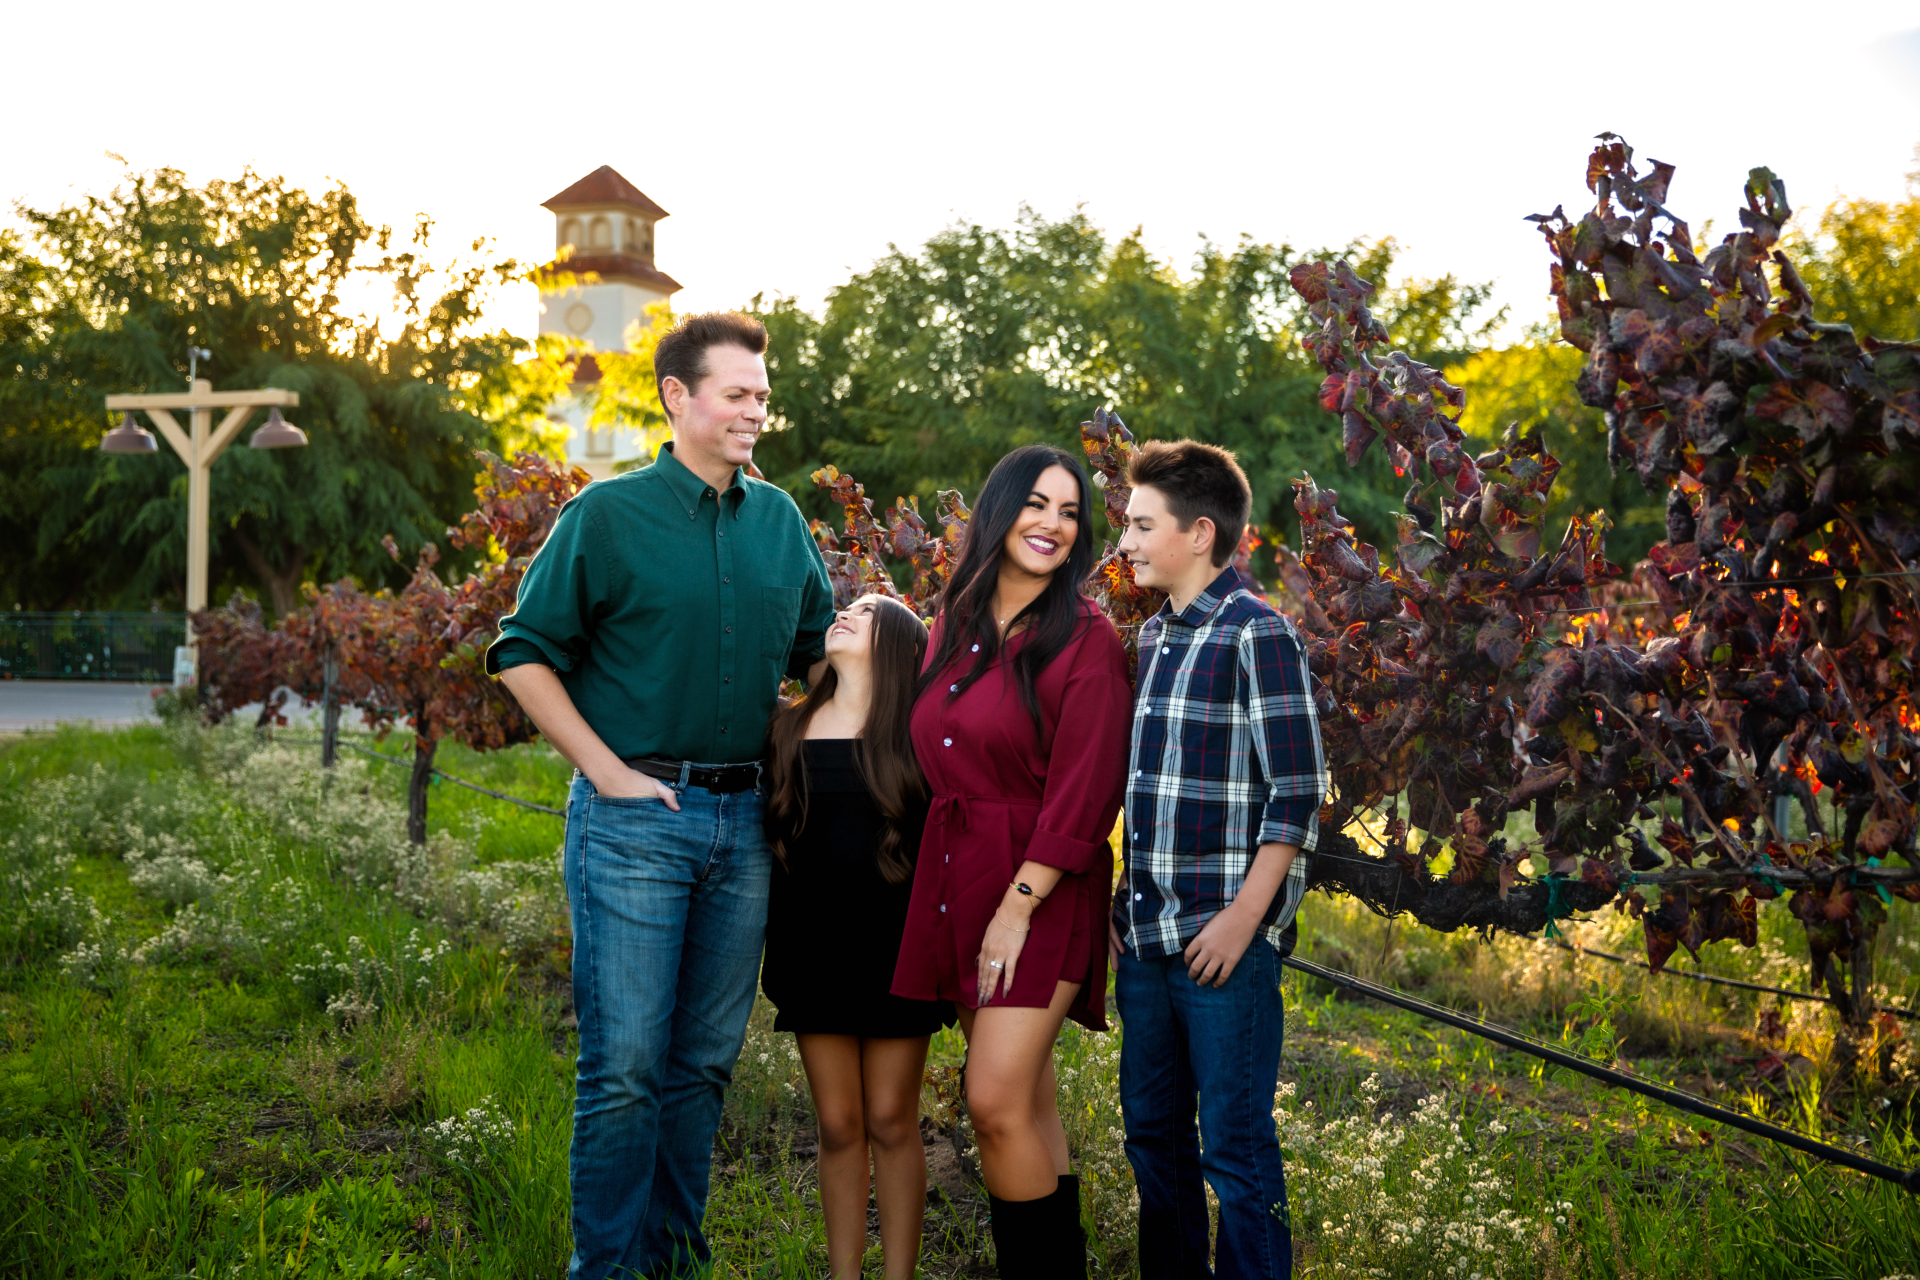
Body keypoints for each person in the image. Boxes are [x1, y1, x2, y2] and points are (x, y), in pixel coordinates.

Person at [486, 312, 835, 1280]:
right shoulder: (606, 515)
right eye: (738, 393)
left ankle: (673, 1258)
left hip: (745, 826)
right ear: (678, 397)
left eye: (763, 396)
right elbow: (522, 652)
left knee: (701, 1067)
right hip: (636, 819)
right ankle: (603, 1267)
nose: (756, 411)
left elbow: (824, 658)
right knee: (627, 1069)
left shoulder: (781, 523)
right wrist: (604, 771)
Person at [892, 443, 1132, 1280]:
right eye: (1037, 504)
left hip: (1038, 888)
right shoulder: (949, 627)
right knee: (1025, 1102)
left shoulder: (1087, 642)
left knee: (990, 1101)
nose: (1054, 525)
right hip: (958, 875)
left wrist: (1018, 903)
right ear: (1000, 511)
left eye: (1070, 513)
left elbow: (1087, 793)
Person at [1109, 439, 1328, 1280]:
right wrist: (1123, 906)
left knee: (1234, 1152)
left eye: (1139, 525)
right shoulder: (1154, 639)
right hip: (1148, 941)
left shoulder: (1256, 634)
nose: (1123, 542)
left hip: (1221, 948)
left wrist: (1246, 919)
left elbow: (1297, 793)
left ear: (1199, 534)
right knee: (1153, 1141)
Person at [761, 592, 954, 1280]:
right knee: (839, 1123)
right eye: (846, 607)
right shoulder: (787, 731)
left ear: (903, 647)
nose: (845, 613)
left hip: (897, 953)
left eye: (869, 612)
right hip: (813, 953)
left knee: (891, 1118)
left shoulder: (919, 741)